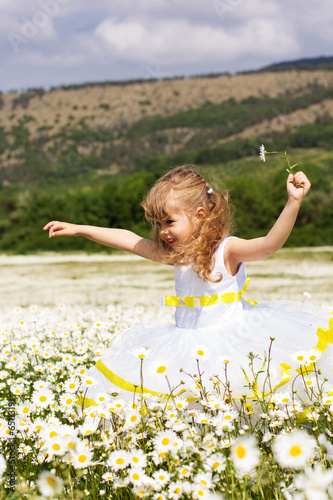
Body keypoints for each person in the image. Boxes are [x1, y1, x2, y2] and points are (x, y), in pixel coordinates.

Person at [43, 165, 333, 408]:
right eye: (157, 223)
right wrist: (80, 229)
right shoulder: (176, 255)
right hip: (185, 344)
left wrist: (294, 202)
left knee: (236, 398)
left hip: (232, 341)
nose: (162, 232)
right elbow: (128, 239)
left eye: (169, 221)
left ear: (200, 215)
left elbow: (269, 245)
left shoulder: (226, 251)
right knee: (191, 402)